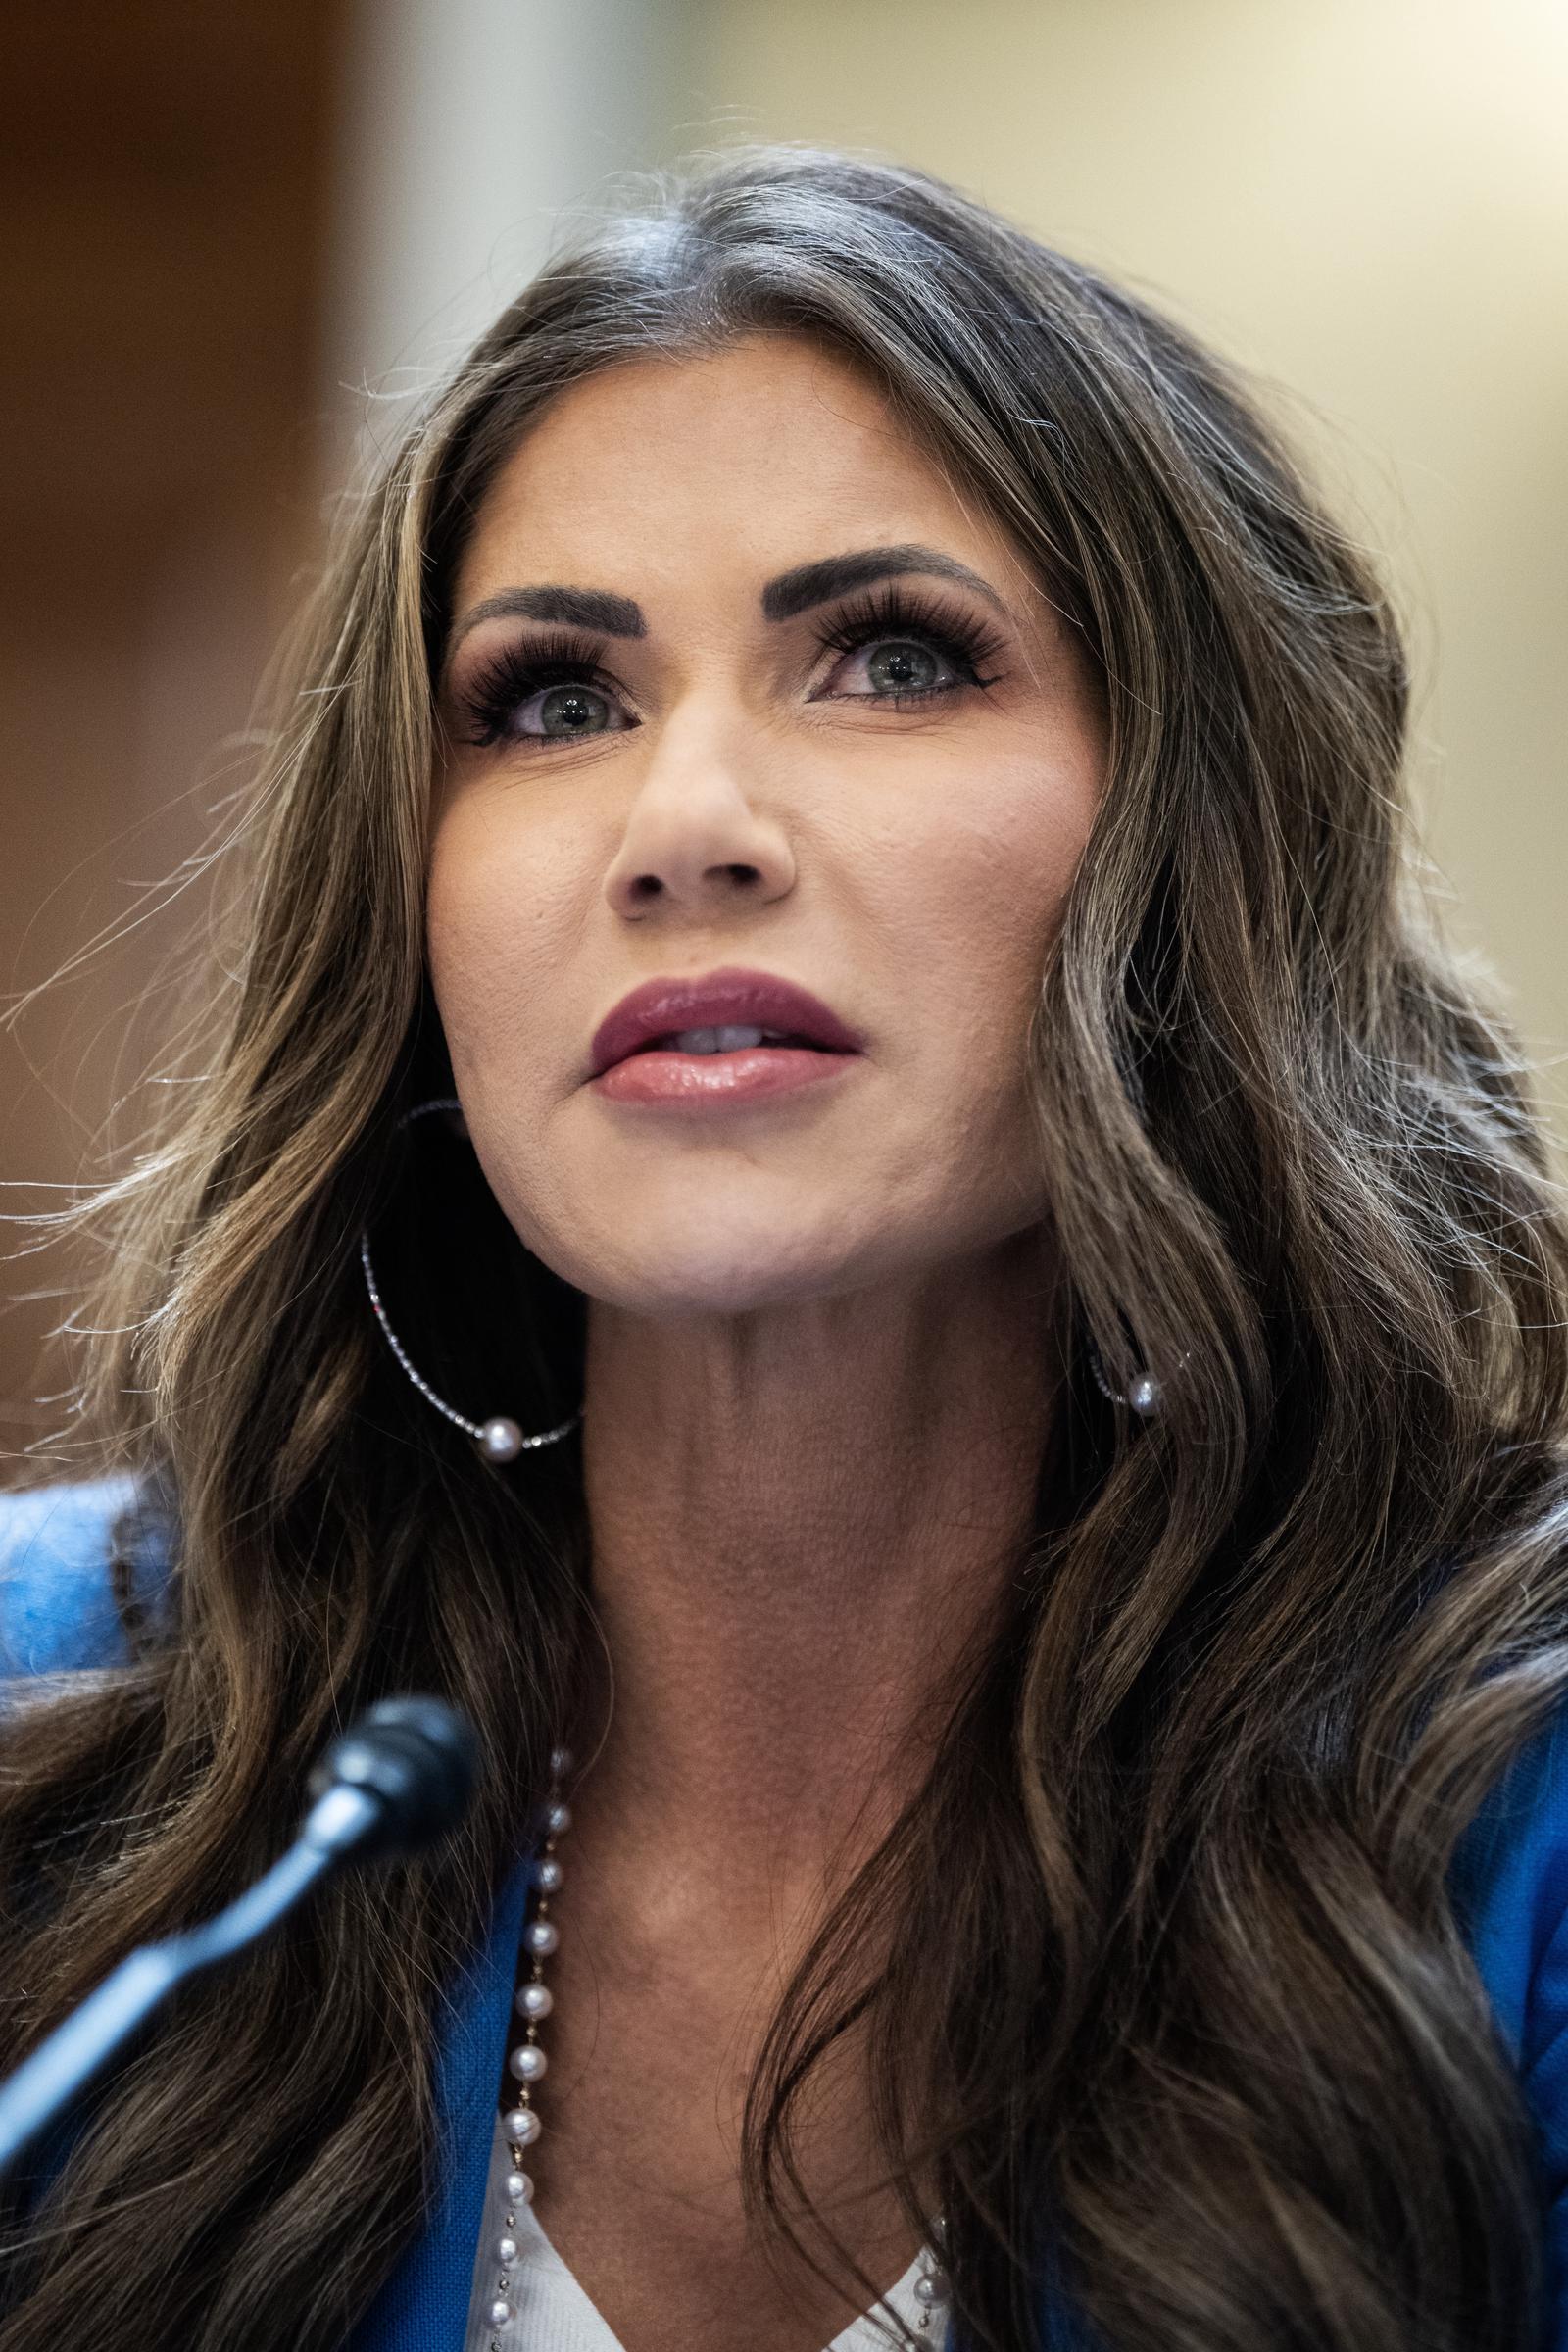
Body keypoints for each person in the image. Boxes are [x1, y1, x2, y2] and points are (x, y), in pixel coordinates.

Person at [2, 144, 1567, 2352]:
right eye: (554, 701)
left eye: (892, 659)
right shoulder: (59, 1724)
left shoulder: (1515, 1794)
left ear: (1190, 843)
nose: (685, 829)